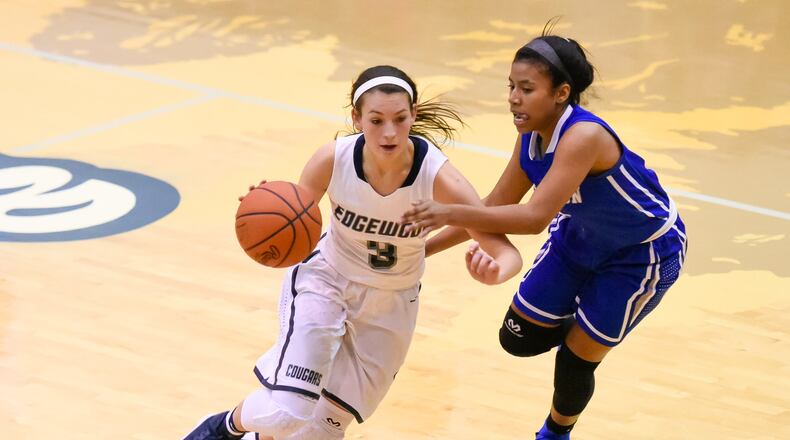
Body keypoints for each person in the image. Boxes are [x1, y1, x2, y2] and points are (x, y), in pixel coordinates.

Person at [183, 65, 523, 440]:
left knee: (321, 431)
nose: (389, 132)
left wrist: (498, 271)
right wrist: (265, 209)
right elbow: (295, 217)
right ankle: (220, 429)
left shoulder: (439, 177)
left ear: (414, 115)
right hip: (327, 280)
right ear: (356, 118)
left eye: (399, 118)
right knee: (286, 413)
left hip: (391, 303)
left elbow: (504, 249)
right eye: (376, 120)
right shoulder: (332, 159)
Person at [401, 33, 688, 440]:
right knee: (517, 339)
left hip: (642, 253)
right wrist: (423, 250)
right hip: (579, 236)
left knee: (574, 361)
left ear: (561, 93)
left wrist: (446, 210)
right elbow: (496, 204)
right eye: (511, 87)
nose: (513, 98)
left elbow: (534, 218)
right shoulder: (531, 137)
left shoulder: (584, 137)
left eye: (527, 89)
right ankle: (584, 324)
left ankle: (555, 433)